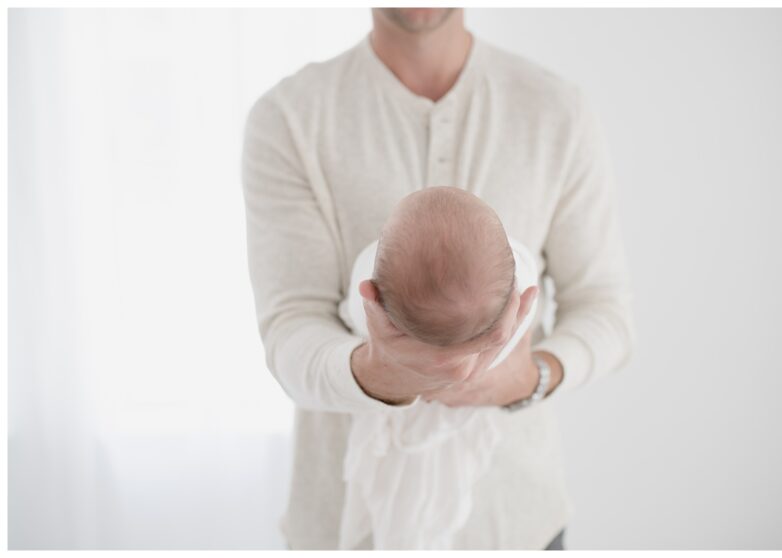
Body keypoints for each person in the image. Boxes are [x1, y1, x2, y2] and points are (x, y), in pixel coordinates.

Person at [242, 8, 634, 550]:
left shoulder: (555, 110)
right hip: (345, 530)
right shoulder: (290, 118)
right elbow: (289, 331)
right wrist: (379, 374)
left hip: (517, 526)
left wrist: (529, 377)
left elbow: (606, 313)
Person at [337, 187, 541, 550]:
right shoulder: (516, 296)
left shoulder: (368, 295)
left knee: (404, 512)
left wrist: (530, 378)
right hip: (481, 439)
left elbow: (352, 313)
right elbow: (524, 270)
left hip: (522, 523)